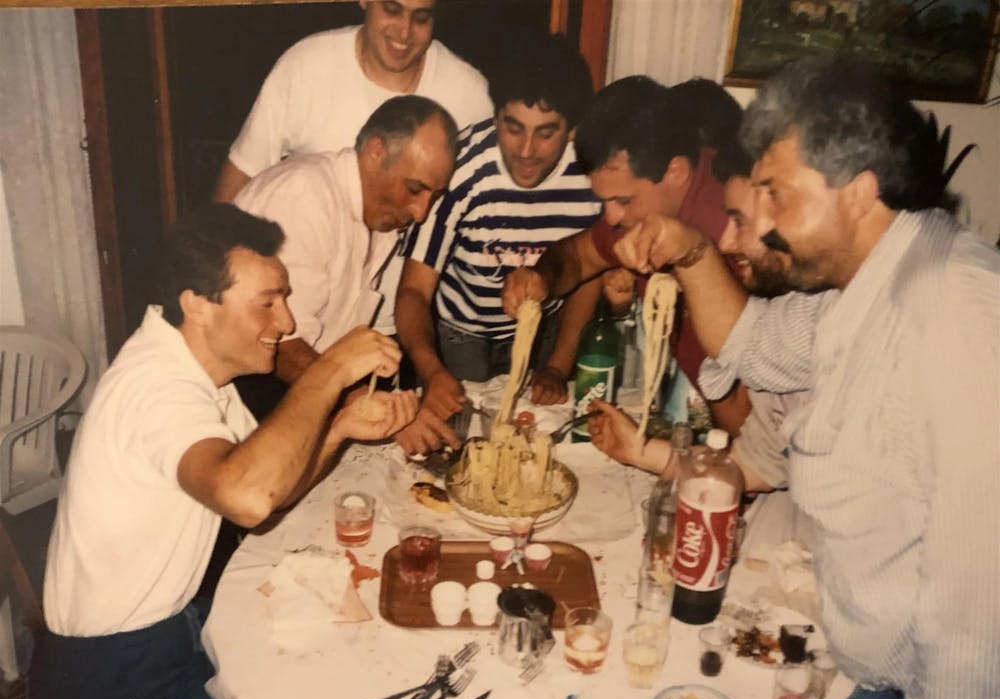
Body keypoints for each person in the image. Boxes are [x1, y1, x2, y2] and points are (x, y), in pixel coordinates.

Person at [604, 58, 1000, 699]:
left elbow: (979, 612)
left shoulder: (955, 317)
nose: (755, 220)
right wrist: (691, 251)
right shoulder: (866, 286)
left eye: (775, 194)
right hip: (879, 690)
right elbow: (751, 344)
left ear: (857, 192)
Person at [28, 203, 418, 699]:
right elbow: (249, 499)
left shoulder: (201, 376)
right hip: (111, 683)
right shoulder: (158, 389)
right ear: (197, 305)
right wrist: (330, 372)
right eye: (267, 302)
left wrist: (340, 429)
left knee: (328, 666)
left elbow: (269, 495)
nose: (286, 323)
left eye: (284, 299)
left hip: (166, 633)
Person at [587, 141, 814, 553]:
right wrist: (638, 451)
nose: (727, 241)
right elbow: (757, 464)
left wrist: (693, 253)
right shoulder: (794, 309)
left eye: (740, 222)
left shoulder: (856, 321)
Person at [501, 76, 750, 436]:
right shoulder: (646, 208)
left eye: (623, 201)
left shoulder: (733, 221)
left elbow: (750, 394)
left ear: (676, 172)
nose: (612, 217)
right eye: (604, 201)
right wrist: (541, 277)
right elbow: (578, 256)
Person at [392, 32, 602, 455]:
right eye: (512, 128)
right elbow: (414, 290)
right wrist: (431, 371)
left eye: (546, 133)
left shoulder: (590, 175)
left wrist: (559, 366)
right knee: (460, 449)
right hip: (459, 335)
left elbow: (590, 274)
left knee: (535, 445)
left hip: (545, 331)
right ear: (496, 117)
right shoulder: (462, 168)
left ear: (572, 129)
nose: (526, 151)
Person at [231, 95, 458, 418]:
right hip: (251, 387)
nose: (421, 213)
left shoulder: (379, 212)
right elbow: (280, 343)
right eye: (413, 189)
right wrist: (359, 405)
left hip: (312, 379)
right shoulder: (303, 196)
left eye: (433, 196)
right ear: (376, 153)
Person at [213, 0, 491, 203]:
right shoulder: (306, 64)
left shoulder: (468, 93)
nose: (404, 33)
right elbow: (241, 176)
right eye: (392, 10)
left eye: (420, 18)